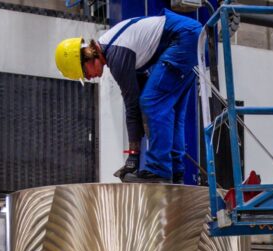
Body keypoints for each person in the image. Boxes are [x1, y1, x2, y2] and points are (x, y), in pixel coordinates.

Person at [55, 9, 202, 184]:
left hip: (184, 38)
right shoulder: (115, 48)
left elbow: (133, 106)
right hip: (191, 37)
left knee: (152, 102)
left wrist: (133, 157)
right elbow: (138, 102)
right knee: (171, 109)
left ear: (86, 58)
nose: (88, 78)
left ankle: (159, 170)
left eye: (84, 73)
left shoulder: (116, 56)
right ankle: (176, 171)